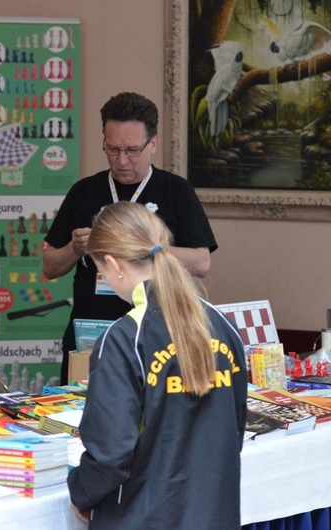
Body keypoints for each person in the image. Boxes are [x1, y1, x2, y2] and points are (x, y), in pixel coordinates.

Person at [67, 201, 247, 529]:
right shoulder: (222, 324)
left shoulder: (124, 337)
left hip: (142, 516)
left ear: (113, 264)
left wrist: (82, 492)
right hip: (214, 511)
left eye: (100, 269)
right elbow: (234, 427)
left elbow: (110, 453)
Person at [42, 92, 217, 382]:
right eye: (113, 149)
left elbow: (201, 263)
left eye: (133, 150)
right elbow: (49, 266)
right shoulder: (84, 191)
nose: (122, 160)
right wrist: (75, 248)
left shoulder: (176, 191)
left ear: (153, 144)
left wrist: (144, 247)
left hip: (158, 335)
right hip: (91, 335)